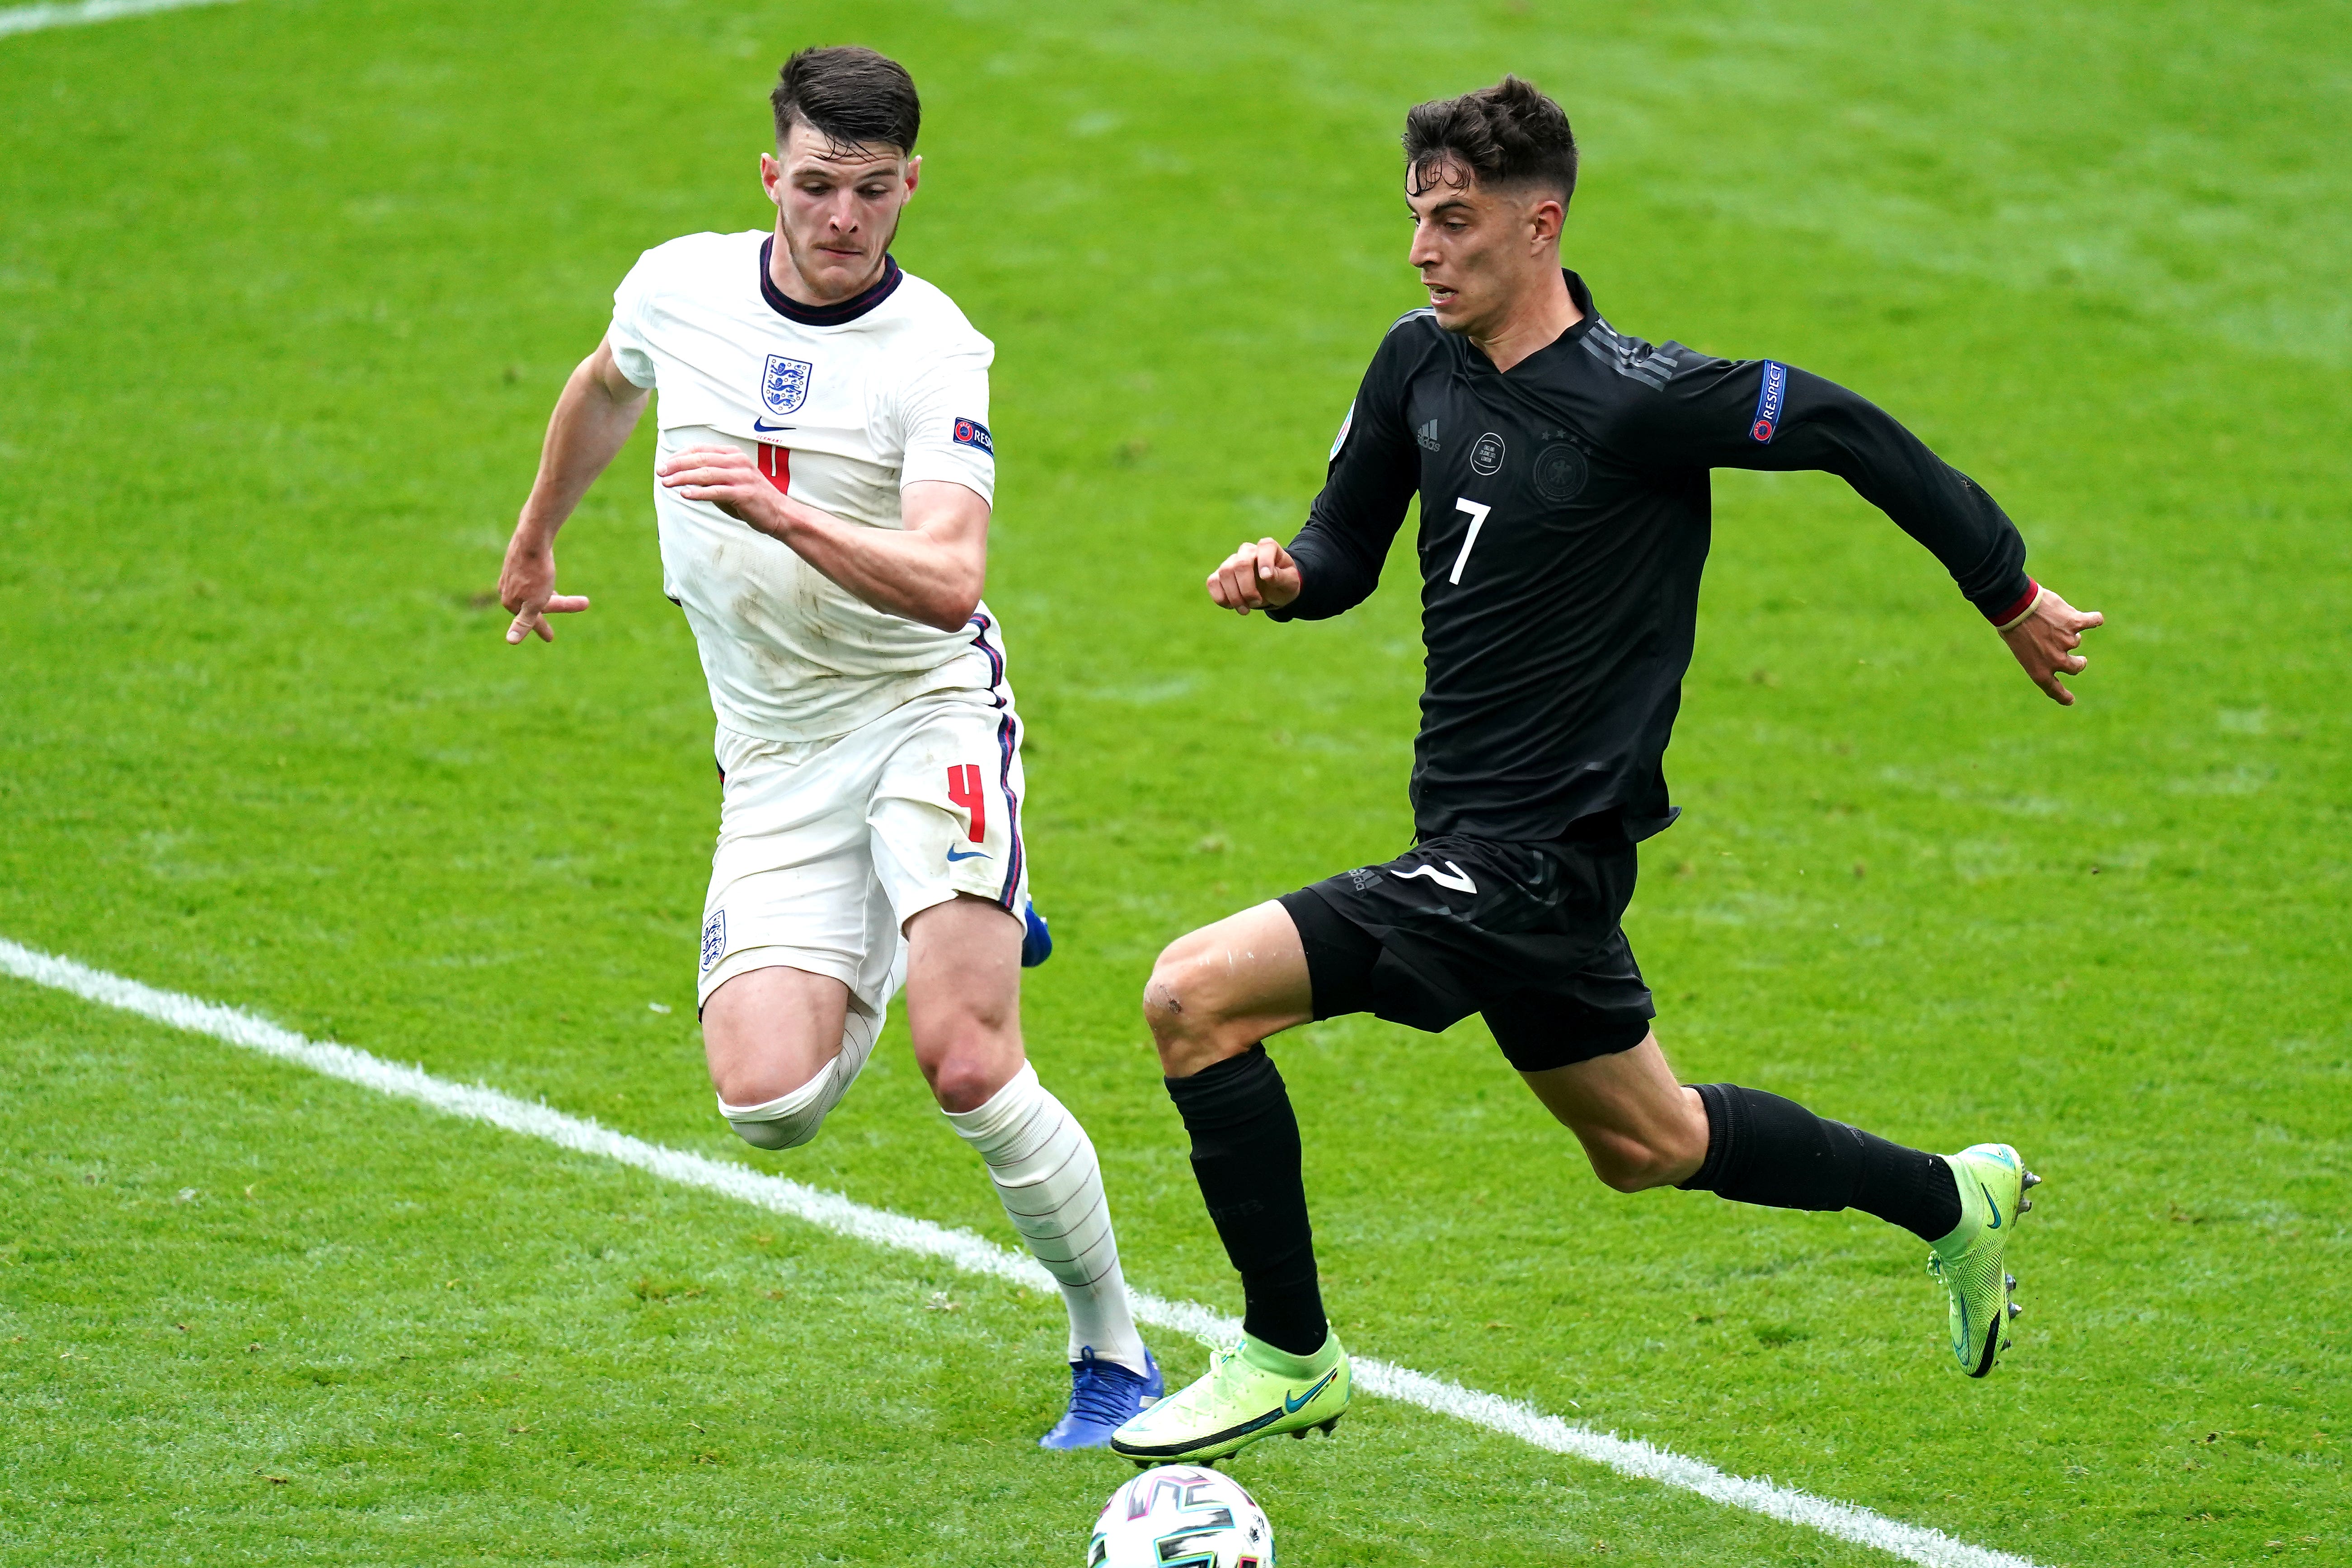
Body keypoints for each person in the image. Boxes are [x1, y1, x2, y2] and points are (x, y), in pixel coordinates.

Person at [1110, 76, 2089, 1466]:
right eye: (1414, 219)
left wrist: (2006, 590)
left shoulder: (1640, 402)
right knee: (1652, 1144)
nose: (1423, 250)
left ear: (1539, 224)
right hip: (1479, 838)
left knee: (1194, 998)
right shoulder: (1416, 364)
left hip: (1533, 858)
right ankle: (1951, 1200)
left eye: (1453, 223)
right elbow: (1345, 554)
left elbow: (1843, 431)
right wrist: (1285, 577)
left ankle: (1286, 1354)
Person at [495, 45, 1159, 1448]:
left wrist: (779, 510)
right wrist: (539, 529)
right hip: (778, 751)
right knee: (771, 1104)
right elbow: (605, 386)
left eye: (871, 190)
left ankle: (1114, 1348)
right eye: (815, 185)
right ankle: (938, 905)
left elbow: (951, 581)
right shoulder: (677, 285)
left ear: (912, 185)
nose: (842, 217)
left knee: (966, 1062)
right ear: (768, 177)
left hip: (924, 711)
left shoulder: (938, 352)